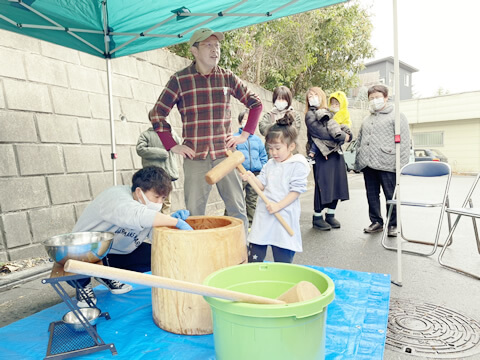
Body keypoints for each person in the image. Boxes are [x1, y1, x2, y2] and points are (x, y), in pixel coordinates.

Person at [148, 28, 263, 236]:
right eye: (208, 45)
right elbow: (157, 114)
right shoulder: (180, 80)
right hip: (195, 157)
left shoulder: (227, 77)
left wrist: (244, 135)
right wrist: (173, 145)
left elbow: (255, 104)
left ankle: (241, 254)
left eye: (217, 46)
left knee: (237, 209)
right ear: (194, 51)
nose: (214, 50)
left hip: (225, 155)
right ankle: (197, 256)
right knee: (194, 214)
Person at [72, 166, 193, 307]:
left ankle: (107, 275)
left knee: (159, 254)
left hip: (112, 252)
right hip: (84, 251)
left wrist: (169, 223)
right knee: (75, 259)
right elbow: (137, 215)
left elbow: (153, 232)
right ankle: (82, 285)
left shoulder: (147, 210)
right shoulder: (116, 197)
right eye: (156, 197)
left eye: (163, 198)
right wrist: (176, 222)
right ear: (139, 191)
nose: (159, 203)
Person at [241, 111, 310, 263]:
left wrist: (279, 206)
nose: (273, 152)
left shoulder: (298, 164)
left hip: (284, 213)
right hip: (265, 213)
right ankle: (253, 280)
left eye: (277, 148)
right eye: (270, 148)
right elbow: (261, 185)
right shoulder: (270, 164)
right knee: (255, 253)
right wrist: (251, 177)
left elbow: (296, 191)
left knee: (282, 257)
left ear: (291, 146)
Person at [355, 84, 410, 237]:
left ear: (386, 97)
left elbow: (404, 142)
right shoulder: (367, 119)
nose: (374, 101)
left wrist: (402, 165)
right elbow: (360, 141)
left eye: (377, 97)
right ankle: (376, 221)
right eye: (371, 98)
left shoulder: (397, 116)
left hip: (388, 162)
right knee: (371, 194)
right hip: (368, 163)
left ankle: (393, 224)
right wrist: (358, 161)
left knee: (390, 195)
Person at [305, 87, 350, 231]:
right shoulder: (310, 114)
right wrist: (343, 136)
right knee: (322, 185)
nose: (312, 97)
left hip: (335, 153)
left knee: (337, 183)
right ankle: (317, 217)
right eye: (310, 96)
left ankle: (331, 214)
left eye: (315, 94)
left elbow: (344, 127)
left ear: (322, 96)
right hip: (321, 154)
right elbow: (322, 133)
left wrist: (348, 134)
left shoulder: (331, 112)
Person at [232, 110, 268, 226]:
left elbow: (263, 156)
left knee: (252, 201)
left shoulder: (257, 140)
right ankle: (229, 223)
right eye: (244, 119)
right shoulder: (234, 138)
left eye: (249, 120)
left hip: (255, 174)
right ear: (239, 122)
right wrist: (237, 170)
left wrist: (262, 168)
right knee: (235, 199)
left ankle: (250, 225)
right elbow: (231, 157)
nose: (246, 122)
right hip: (240, 174)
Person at [136, 126, 182, 214]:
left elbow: (178, 143)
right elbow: (140, 149)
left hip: (167, 174)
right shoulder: (146, 134)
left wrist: (171, 131)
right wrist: (161, 153)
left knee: (166, 201)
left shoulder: (169, 133)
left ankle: (164, 222)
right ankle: (151, 221)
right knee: (151, 200)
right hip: (153, 176)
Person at [259, 86, 302, 153]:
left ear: (288, 100)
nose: (281, 101)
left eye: (284, 99)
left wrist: (275, 129)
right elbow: (262, 128)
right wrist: (279, 124)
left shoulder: (294, 115)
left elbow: (294, 131)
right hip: (272, 153)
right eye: (279, 99)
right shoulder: (269, 115)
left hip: (290, 152)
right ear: (274, 99)